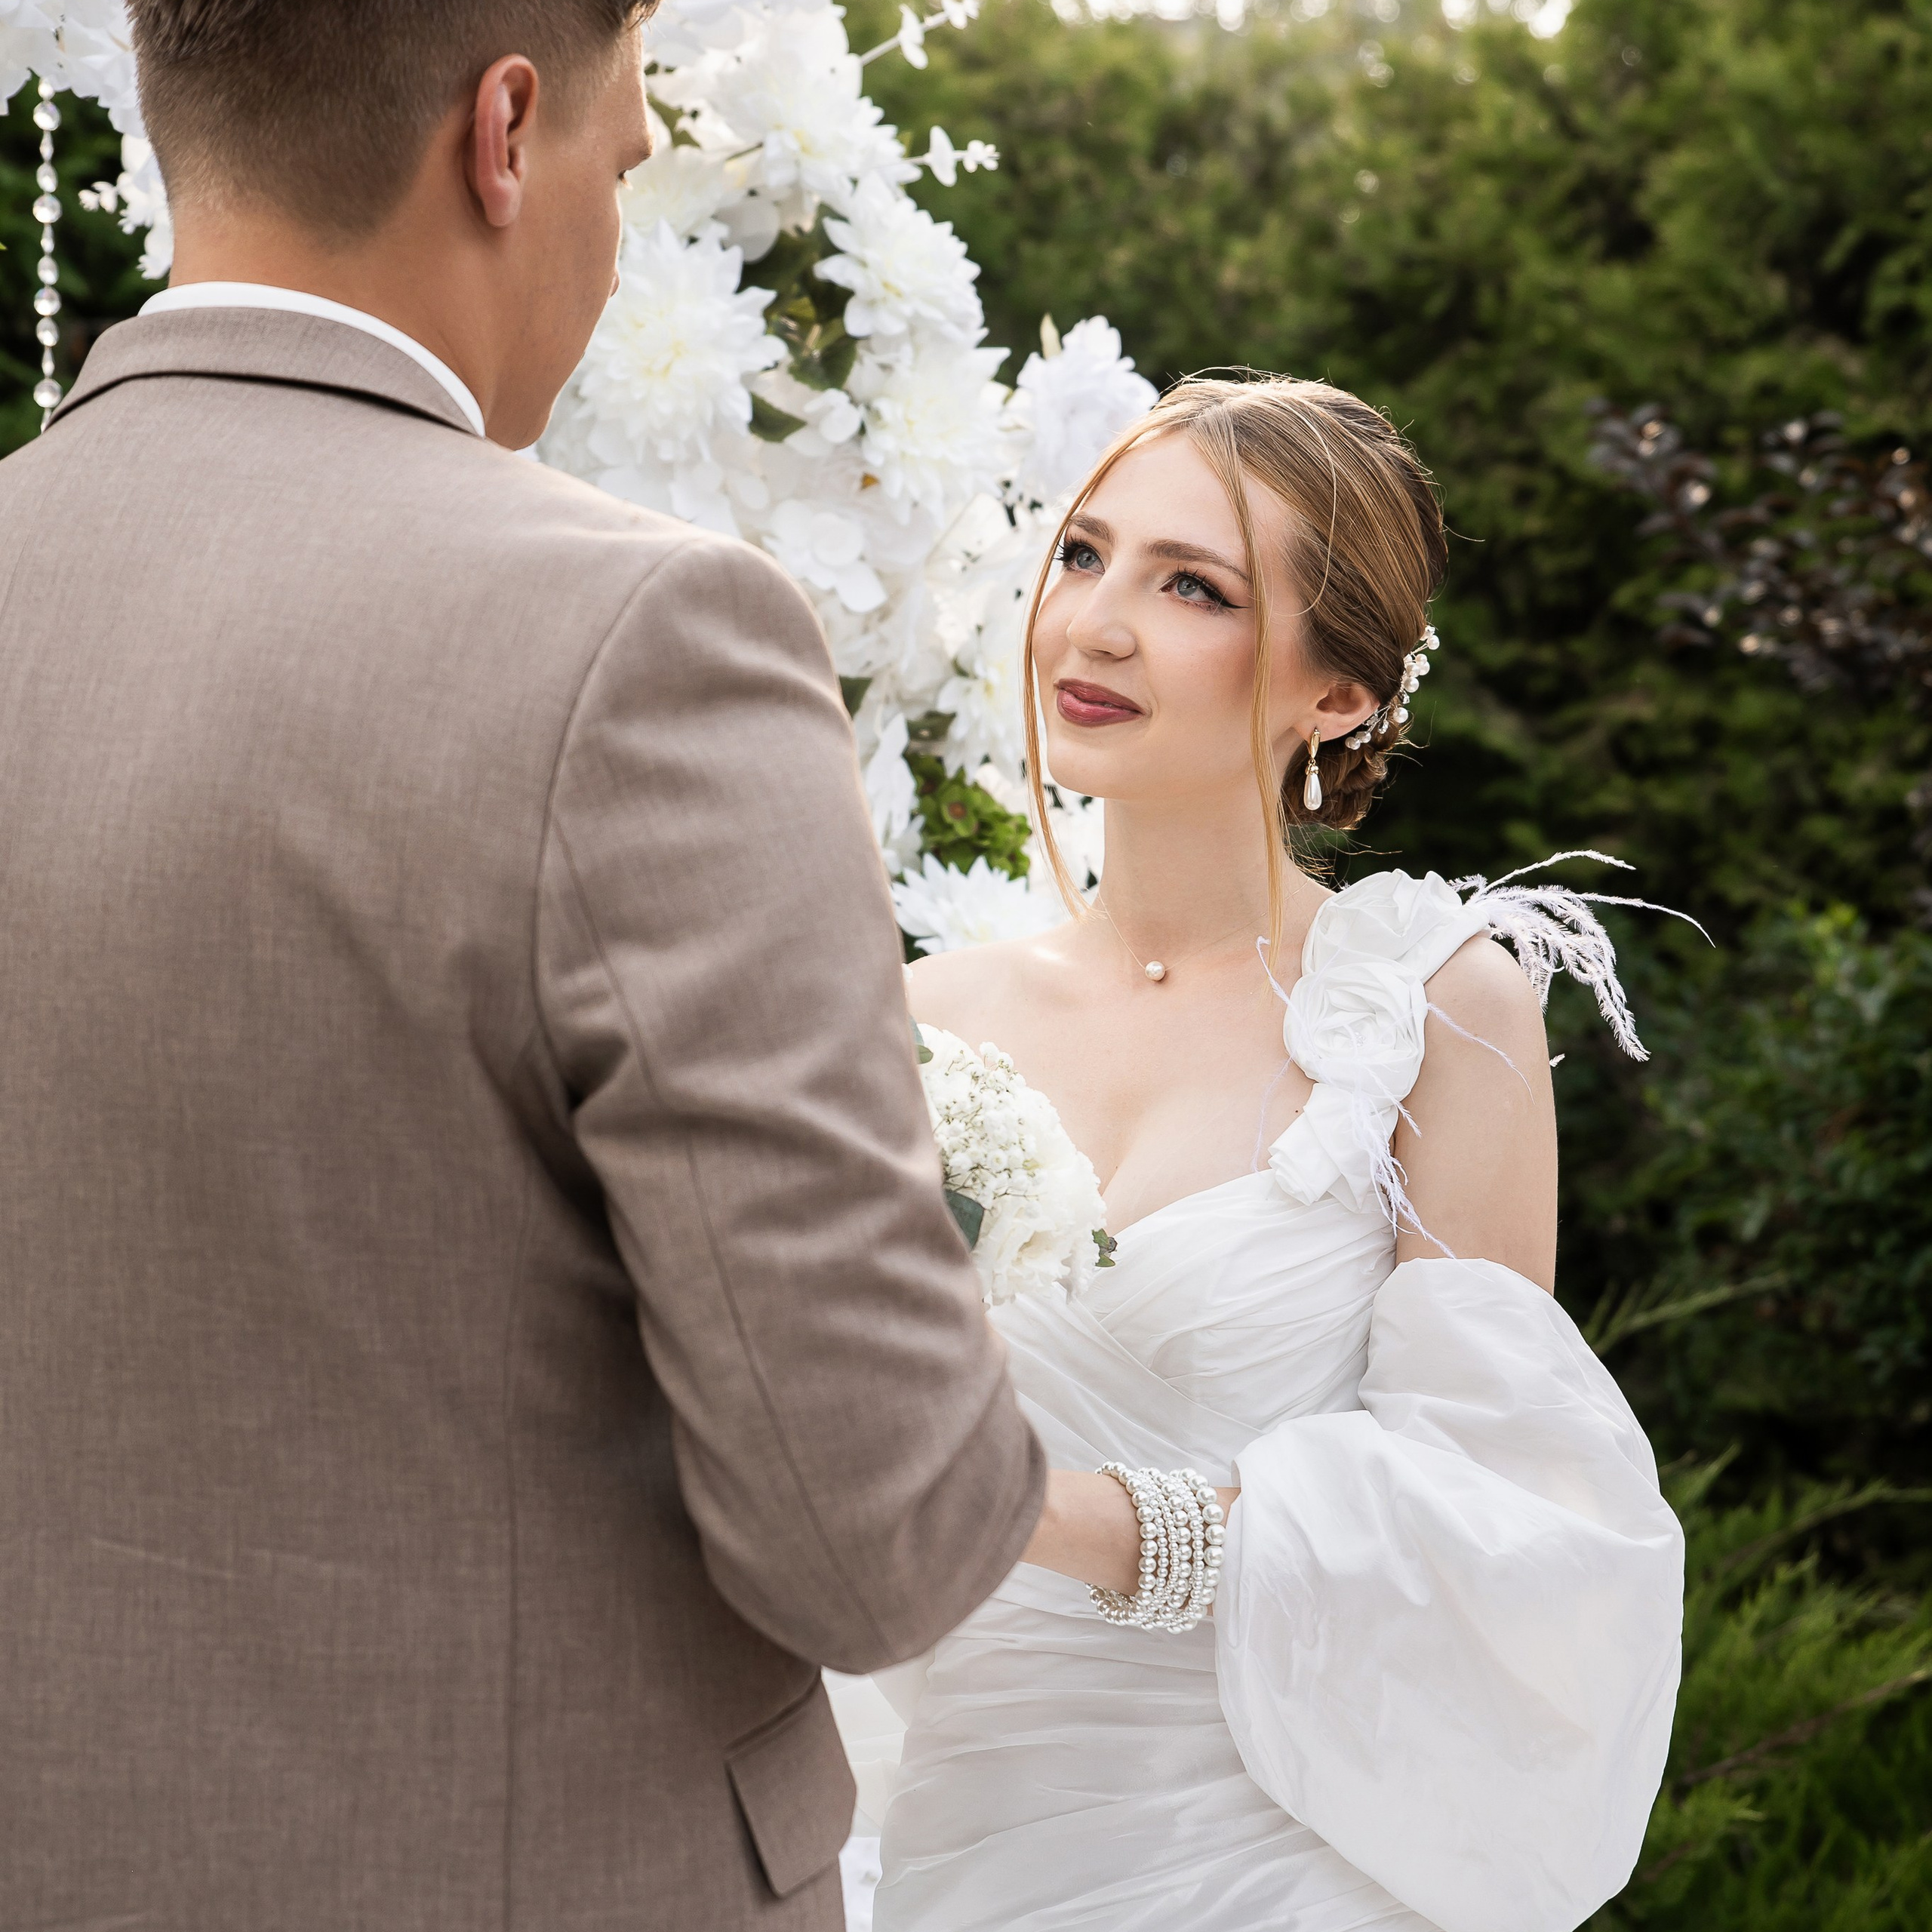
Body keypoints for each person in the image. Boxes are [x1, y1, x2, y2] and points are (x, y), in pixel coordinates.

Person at [0, 4, 1045, 1927]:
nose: (612, 217)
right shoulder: (642, 640)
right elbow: (875, 1535)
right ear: (503, 134)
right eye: (623, 157)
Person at [867, 376, 1686, 1930]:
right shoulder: (916, 1017)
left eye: (1191, 587)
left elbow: (1484, 1519)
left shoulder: (1432, 1004)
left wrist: (1049, 1512)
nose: (1095, 621)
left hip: (1264, 1857)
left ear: (1337, 693)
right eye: (1086, 552)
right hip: (947, 1840)